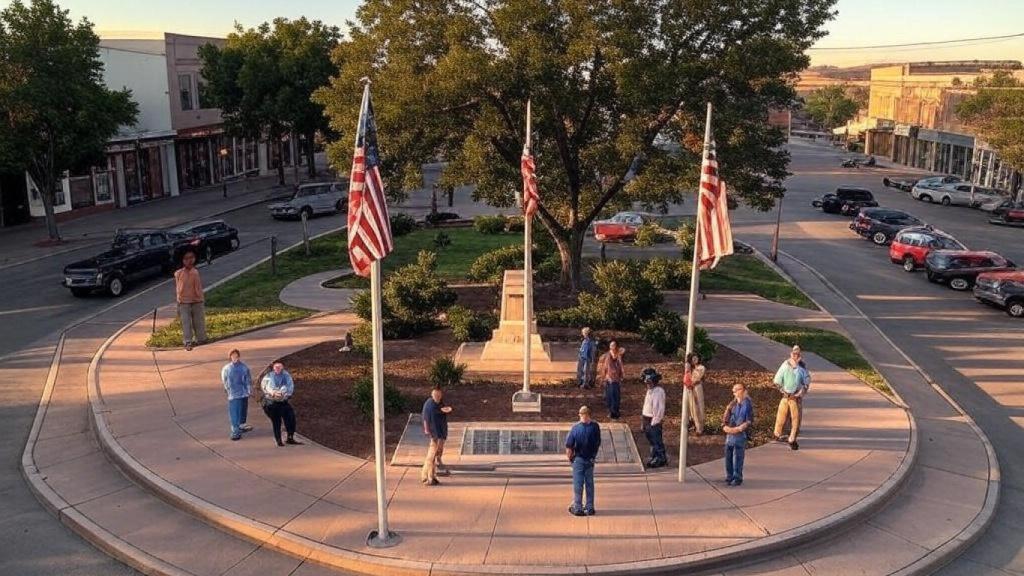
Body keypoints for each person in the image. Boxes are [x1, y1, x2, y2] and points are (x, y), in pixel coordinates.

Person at [773, 345, 811, 451]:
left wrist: (801, 392)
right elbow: (777, 380)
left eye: (798, 354)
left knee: (795, 418)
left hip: (795, 397)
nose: (795, 356)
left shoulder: (802, 367)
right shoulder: (785, 365)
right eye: (794, 354)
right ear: (791, 354)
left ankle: (792, 438)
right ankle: (777, 433)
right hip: (786, 396)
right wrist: (782, 389)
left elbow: (806, 381)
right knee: (781, 416)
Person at [565, 405, 601, 516]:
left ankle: (578, 507)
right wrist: (593, 456)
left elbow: (569, 446)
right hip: (590, 459)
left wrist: (571, 459)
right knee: (589, 483)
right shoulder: (595, 427)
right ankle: (590, 507)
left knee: (578, 484)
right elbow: (597, 442)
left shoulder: (575, 428)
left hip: (579, 459)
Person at [261, 361, 302, 447]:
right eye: (276, 367)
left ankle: (290, 437)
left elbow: (290, 387)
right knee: (276, 420)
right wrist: (273, 393)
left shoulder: (286, 376)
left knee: (291, 417)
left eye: (280, 366)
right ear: (273, 367)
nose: (278, 368)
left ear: (282, 367)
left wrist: (285, 394)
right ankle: (278, 440)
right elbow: (266, 387)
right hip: (271, 402)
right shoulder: (269, 376)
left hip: (283, 401)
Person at [175, 250, 206, 351]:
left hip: (197, 300)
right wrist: (179, 301)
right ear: (182, 260)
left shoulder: (195, 272)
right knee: (186, 322)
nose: (190, 260)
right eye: (186, 258)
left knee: (199, 321)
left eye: (191, 257)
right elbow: (179, 288)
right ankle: (188, 341)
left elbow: (198, 287)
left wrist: (200, 298)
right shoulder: (179, 273)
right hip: (184, 302)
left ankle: (201, 339)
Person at [723, 382, 754, 486]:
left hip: (740, 434)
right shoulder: (732, 404)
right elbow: (725, 418)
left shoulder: (747, 404)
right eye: (734, 390)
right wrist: (726, 427)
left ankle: (737, 477)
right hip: (730, 433)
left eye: (738, 389)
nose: (735, 392)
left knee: (737, 456)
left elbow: (749, 420)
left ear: (744, 391)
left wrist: (740, 428)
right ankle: (729, 476)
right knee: (728, 456)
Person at [421, 387, 452, 486]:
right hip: (435, 434)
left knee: (435, 455)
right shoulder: (429, 405)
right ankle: (428, 477)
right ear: (432, 395)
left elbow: (442, 410)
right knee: (431, 456)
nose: (437, 397)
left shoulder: (440, 403)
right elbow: (425, 419)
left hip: (441, 432)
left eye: (439, 395)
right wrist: (427, 430)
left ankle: (430, 476)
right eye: (436, 396)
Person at [221, 349, 254, 441]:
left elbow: (248, 380)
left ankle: (242, 425)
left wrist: (249, 390)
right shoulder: (227, 368)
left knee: (243, 409)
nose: (235, 358)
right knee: (235, 412)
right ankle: (235, 430)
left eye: (236, 356)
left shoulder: (244, 367)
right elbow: (225, 380)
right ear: (230, 357)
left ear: (239, 356)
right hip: (234, 394)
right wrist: (228, 390)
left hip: (243, 392)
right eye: (233, 356)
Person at [640, 367, 667, 468]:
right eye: (646, 383)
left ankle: (661, 458)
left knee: (656, 440)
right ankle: (654, 456)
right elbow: (646, 405)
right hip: (646, 418)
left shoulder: (658, 392)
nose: (648, 385)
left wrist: (655, 421)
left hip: (653, 420)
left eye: (650, 382)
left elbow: (659, 408)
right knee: (651, 440)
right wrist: (643, 422)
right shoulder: (649, 391)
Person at [598, 341, 625, 419]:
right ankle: (611, 411)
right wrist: (602, 377)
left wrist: (621, 376)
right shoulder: (606, 356)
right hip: (608, 379)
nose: (612, 347)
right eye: (611, 345)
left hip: (616, 379)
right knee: (609, 396)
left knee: (616, 397)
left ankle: (615, 412)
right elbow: (604, 367)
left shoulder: (618, 356)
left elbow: (621, 366)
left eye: (614, 345)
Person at [683, 353, 707, 435]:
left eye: (696, 358)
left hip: (697, 388)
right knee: (691, 407)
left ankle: (700, 428)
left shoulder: (701, 368)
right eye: (693, 359)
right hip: (690, 389)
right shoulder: (690, 368)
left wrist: (691, 382)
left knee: (698, 407)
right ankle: (692, 423)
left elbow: (696, 378)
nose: (695, 360)